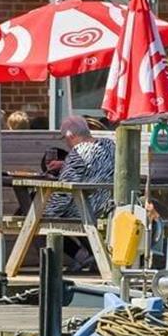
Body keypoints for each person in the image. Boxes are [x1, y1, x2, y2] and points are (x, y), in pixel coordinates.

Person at [45, 115, 115, 271]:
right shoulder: (109, 145)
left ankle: (81, 256)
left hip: (87, 208)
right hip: (107, 205)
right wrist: (65, 163)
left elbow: (64, 191)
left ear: (70, 136)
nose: (65, 142)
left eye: (64, 138)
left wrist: (45, 212)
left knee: (36, 216)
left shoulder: (78, 153)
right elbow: (95, 166)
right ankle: (92, 255)